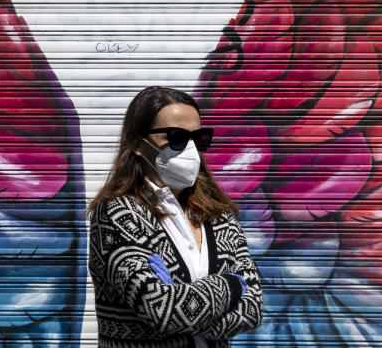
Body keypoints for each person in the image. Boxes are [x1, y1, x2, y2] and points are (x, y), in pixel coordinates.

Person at [87, 86, 263, 348]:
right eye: (177, 137)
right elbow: (162, 311)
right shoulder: (117, 213)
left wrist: (184, 304)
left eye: (199, 138)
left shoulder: (219, 215)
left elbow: (253, 309)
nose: (190, 149)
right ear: (138, 144)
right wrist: (233, 285)